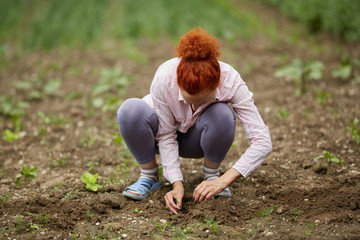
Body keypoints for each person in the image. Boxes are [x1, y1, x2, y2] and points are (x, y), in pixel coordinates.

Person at [116, 27, 272, 215]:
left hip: (199, 139)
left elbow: (262, 142)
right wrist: (176, 183)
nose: (192, 106)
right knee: (130, 110)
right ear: (178, 81)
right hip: (158, 137)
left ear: (216, 85)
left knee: (222, 114)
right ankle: (149, 176)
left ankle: (212, 176)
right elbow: (165, 135)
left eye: (201, 101)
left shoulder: (231, 81)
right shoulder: (165, 76)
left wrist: (223, 181)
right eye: (187, 99)